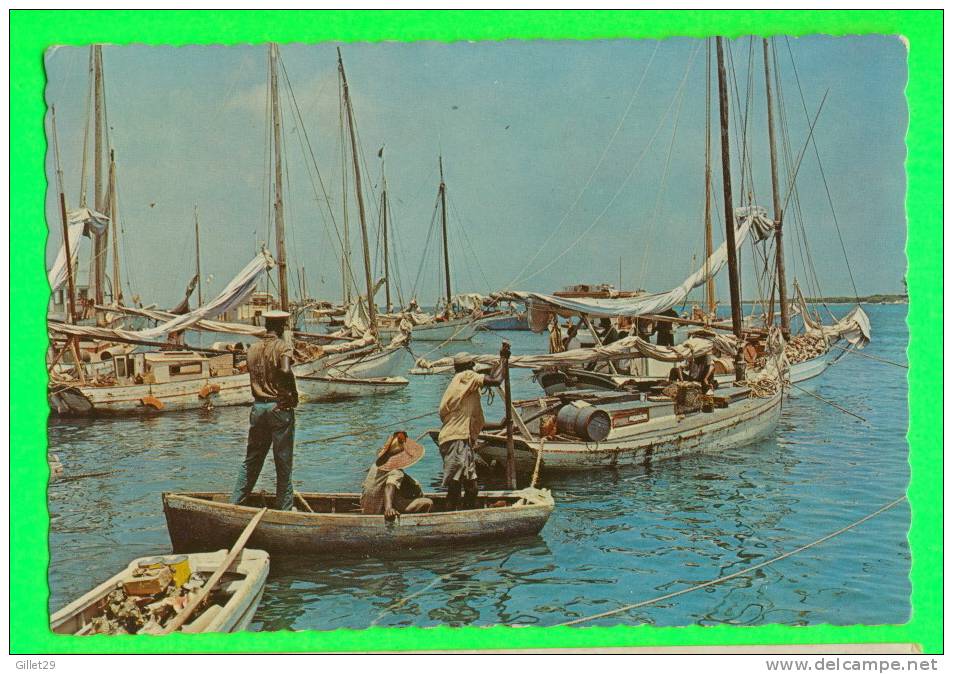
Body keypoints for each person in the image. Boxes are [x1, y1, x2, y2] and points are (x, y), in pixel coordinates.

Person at [231, 310, 299, 511]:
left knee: (252, 459)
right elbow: (286, 370)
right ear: (282, 327)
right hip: (278, 407)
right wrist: (292, 393)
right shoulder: (282, 347)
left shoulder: (253, 348)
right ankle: (284, 510)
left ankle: (235, 504)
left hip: (258, 408)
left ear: (266, 325)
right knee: (283, 464)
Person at [437, 351, 504, 511]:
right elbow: (496, 380)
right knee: (455, 488)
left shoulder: (463, 386)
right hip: (456, 439)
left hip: (458, 439)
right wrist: (504, 360)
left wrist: (500, 425)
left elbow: (473, 422)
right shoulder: (466, 376)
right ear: (469, 366)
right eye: (473, 366)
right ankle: (449, 523)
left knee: (472, 488)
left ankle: (466, 516)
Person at [360, 431, 433, 521]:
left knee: (411, 483)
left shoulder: (377, 464)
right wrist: (388, 508)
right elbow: (389, 486)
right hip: (379, 509)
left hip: (367, 506)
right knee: (427, 502)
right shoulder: (396, 472)